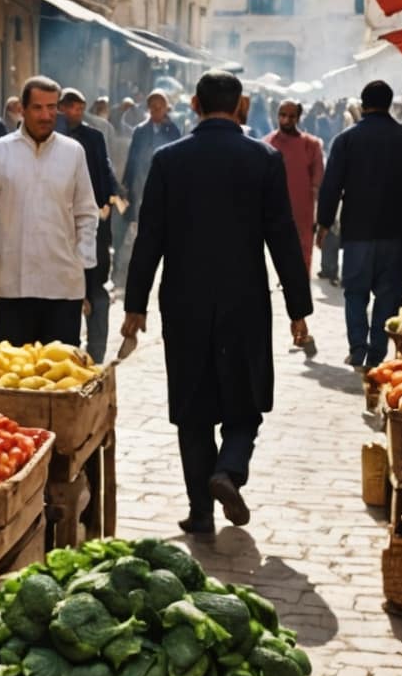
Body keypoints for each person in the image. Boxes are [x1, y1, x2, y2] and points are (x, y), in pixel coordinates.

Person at [122, 70, 314, 534]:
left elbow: (150, 238)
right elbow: (283, 235)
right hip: (243, 299)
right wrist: (298, 308)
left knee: (193, 405)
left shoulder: (169, 160)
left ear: (194, 103)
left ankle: (200, 511)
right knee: (243, 397)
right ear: (240, 106)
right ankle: (228, 470)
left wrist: (134, 305)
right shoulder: (263, 159)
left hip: (184, 301)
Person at [0, 78, 97, 347]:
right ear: (22, 109)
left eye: (52, 108)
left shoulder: (73, 152)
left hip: (62, 284)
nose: (46, 115)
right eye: (38, 108)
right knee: (12, 373)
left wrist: (81, 260)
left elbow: (86, 212)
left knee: (61, 375)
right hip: (12, 283)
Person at [317, 80, 402, 369]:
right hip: (397, 232)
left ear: (363, 103)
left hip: (358, 232)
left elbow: (331, 186)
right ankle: (377, 352)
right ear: (390, 103)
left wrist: (324, 224)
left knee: (355, 291)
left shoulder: (345, 140)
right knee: (389, 293)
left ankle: (358, 347)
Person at [57, 89, 121, 361]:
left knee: (96, 290)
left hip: (93, 224)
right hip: (60, 227)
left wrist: (110, 200)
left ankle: (96, 354)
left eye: (80, 107)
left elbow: (103, 170)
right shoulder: (52, 139)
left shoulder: (93, 137)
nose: (76, 112)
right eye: (71, 107)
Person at [118, 90, 182, 288]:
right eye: (153, 107)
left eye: (160, 107)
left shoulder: (172, 129)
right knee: (138, 226)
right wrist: (126, 185)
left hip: (165, 184)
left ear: (166, 108)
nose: (156, 111)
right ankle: (128, 272)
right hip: (141, 183)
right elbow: (132, 158)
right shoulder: (140, 130)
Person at [266, 100, 324, 267]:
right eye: (283, 115)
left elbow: (318, 180)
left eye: (291, 116)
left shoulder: (311, 145)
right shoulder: (267, 143)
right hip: (274, 210)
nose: (286, 120)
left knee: (303, 257)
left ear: (298, 118)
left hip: (302, 213)